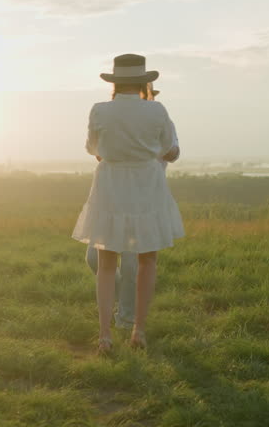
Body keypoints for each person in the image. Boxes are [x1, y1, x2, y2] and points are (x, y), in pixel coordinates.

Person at [73, 54, 183, 353]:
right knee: (147, 260)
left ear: (115, 81)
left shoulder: (99, 110)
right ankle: (138, 330)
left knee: (106, 263)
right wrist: (159, 152)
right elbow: (168, 150)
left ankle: (105, 335)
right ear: (144, 81)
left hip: (111, 182)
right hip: (147, 183)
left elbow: (93, 149)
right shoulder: (157, 110)